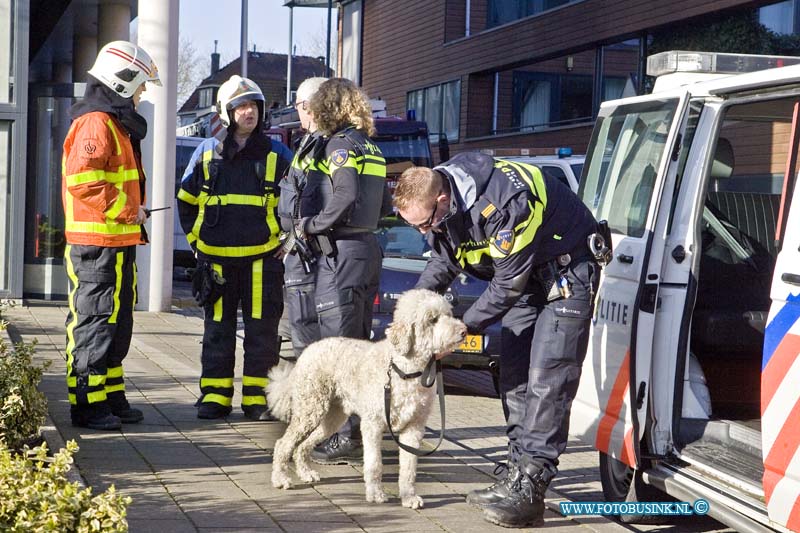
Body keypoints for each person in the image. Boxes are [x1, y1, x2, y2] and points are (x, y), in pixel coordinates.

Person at [394, 153, 601, 528]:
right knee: (514, 377)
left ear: (441, 200)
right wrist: (412, 312)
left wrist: (459, 330)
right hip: (525, 280)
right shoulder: (447, 204)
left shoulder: (506, 202)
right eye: (415, 227)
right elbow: (444, 262)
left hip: (567, 275)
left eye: (425, 223)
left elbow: (505, 286)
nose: (424, 232)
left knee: (547, 380)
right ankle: (515, 474)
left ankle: (531, 490)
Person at [177, 75, 291, 421]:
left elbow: (299, 203)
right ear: (227, 113)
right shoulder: (206, 152)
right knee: (217, 332)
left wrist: (288, 241)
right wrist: (197, 246)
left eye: (253, 106)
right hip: (217, 263)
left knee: (262, 335)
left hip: (262, 262)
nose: (248, 113)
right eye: (241, 106)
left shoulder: (278, 154)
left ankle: (258, 400)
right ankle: (214, 396)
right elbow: (185, 201)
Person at [61, 41, 161, 430]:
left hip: (117, 242)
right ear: (122, 81)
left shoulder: (113, 123)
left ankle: (110, 395)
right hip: (96, 245)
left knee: (116, 323)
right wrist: (128, 209)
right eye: (140, 85)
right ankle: (86, 405)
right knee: (93, 320)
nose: (142, 93)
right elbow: (82, 181)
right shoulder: (96, 123)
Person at [292, 78, 387, 464]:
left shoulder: (339, 145)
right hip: (367, 249)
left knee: (339, 348)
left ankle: (341, 436)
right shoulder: (370, 145)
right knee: (360, 344)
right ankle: (365, 432)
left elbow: (344, 194)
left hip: (342, 253)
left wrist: (311, 225)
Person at [277, 77, 327, 360]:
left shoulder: (321, 144)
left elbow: (308, 196)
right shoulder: (311, 142)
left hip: (308, 252)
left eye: (297, 106)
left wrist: (301, 230)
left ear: (308, 106)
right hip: (302, 248)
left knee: (306, 337)